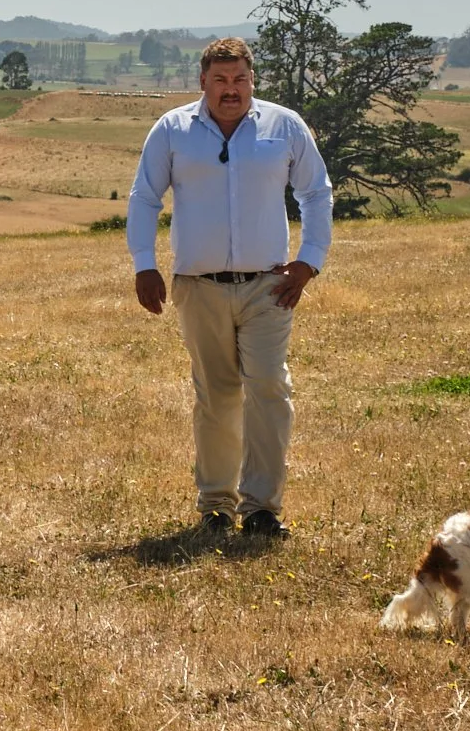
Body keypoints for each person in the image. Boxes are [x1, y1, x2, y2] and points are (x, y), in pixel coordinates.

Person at [125, 35, 332, 541]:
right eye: (219, 80)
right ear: (202, 82)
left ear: (252, 80)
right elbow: (144, 197)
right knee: (215, 396)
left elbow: (316, 192)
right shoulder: (172, 130)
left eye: (239, 78)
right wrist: (144, 264)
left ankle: (261, 507)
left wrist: (310, 262)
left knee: (268, 388)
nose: (230, 89)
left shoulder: (283, 127)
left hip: (269, 286)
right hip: (198, 286)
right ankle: (216, 506)